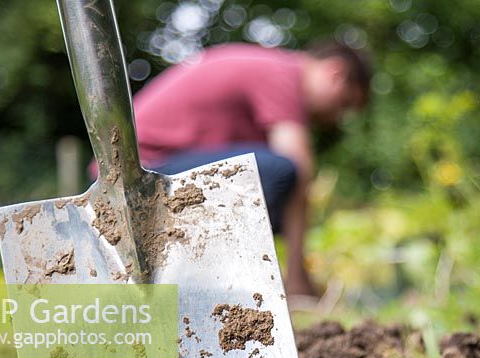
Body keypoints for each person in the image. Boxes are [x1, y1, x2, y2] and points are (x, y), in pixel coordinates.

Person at [131, 41, 371, 296]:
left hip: (167, 166)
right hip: (144, 170)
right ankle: (215, 288)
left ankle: (213, 287)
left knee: (277, 207)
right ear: (336, 73)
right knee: (283, 171)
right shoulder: (282, 74)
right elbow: (300, 172)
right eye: (344, 103)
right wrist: (298, 277)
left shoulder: (273, 69)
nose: (337, 117)